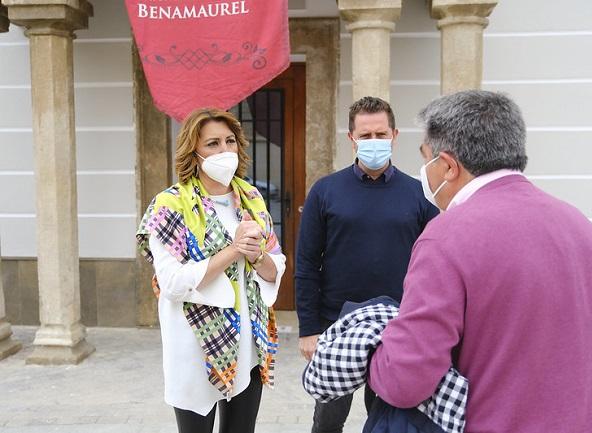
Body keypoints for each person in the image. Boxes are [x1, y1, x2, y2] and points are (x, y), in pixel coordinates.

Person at [368, 90, 592, 432]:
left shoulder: (446, 237)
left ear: (447, 165)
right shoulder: (585, 231)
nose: (425, 172)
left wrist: (373, 359)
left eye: (425, 158)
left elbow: (406, 378)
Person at [136, 108, 286, 433]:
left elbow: (275, 269)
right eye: (213, 144)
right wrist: (233, 252)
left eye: (230, 141)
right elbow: (173, 283)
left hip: (248, 347)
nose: (224, 151)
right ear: (194, 152)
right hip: (196, 349)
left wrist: (256, 256)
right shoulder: (169, 206)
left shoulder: (251, 200)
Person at [295, 96, 439, 433]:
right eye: (365, 136)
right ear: (351, 139)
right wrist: (308, 329)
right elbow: (306, 264)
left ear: (394, 135)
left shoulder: (420, 194)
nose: (374, 142)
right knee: (328, 422)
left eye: (380, 134)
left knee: (387, 421)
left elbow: (435, 266)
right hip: (336, 327)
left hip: (396, 328)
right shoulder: (325, 191)